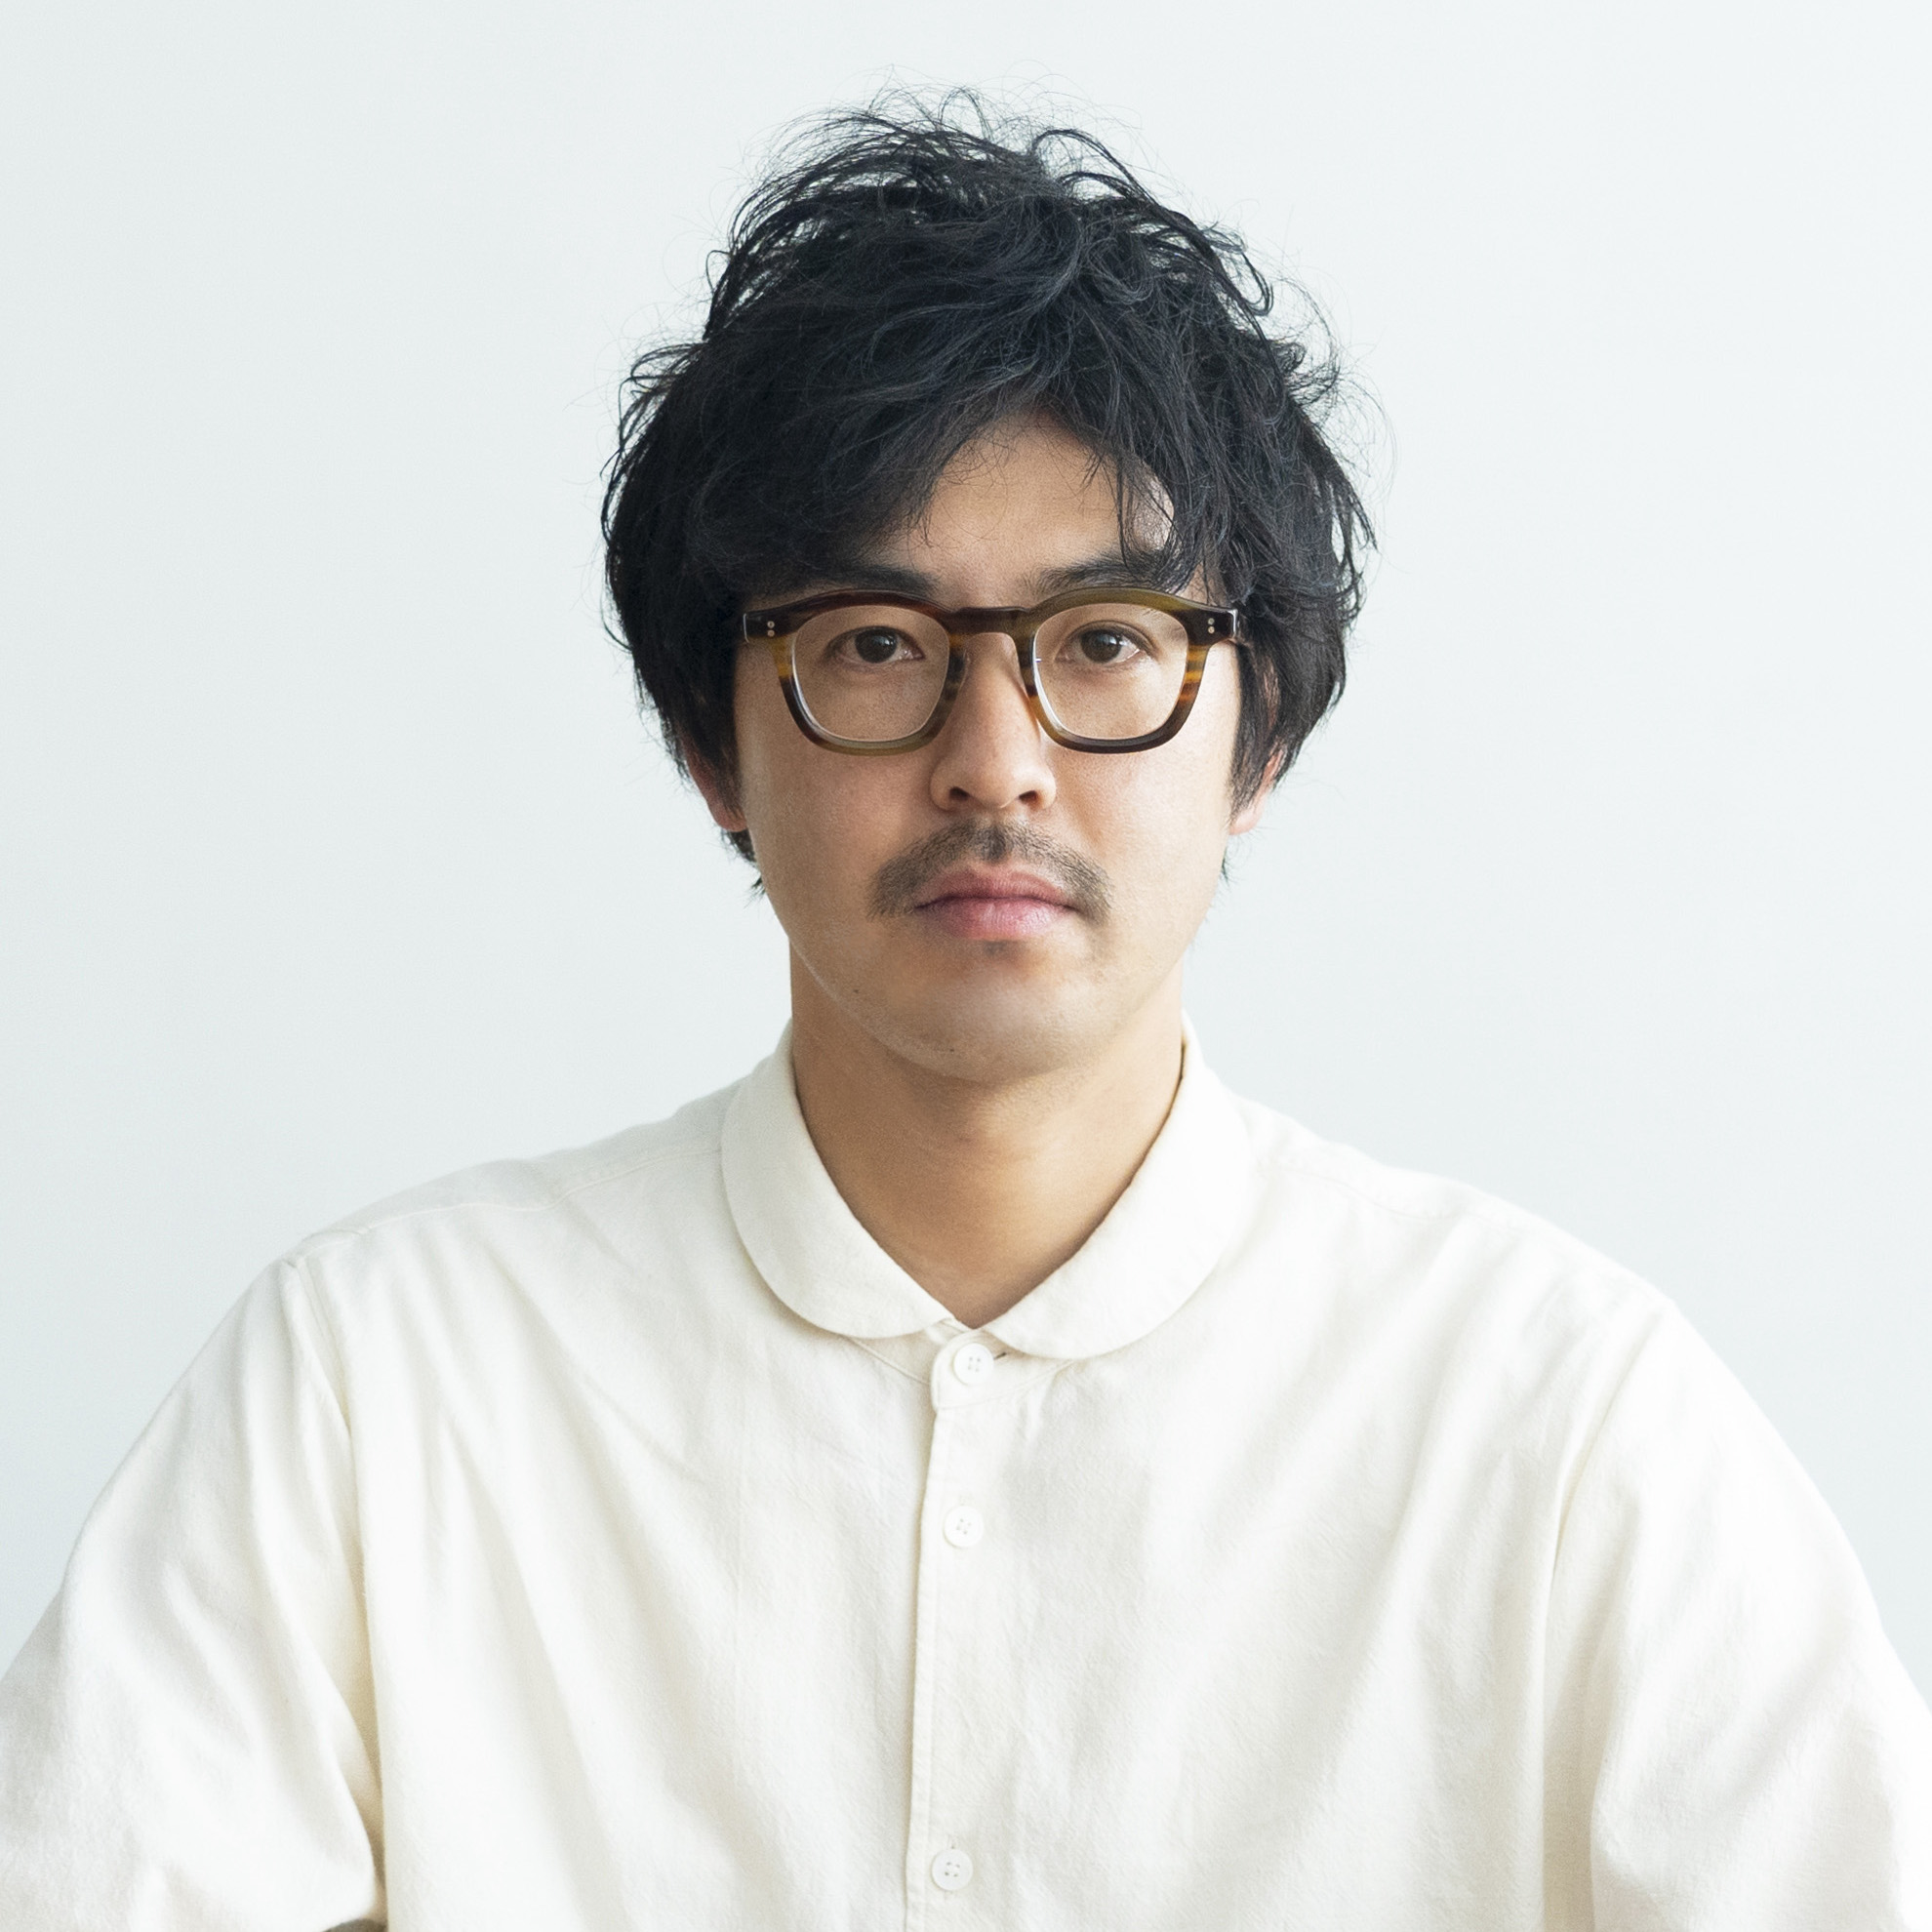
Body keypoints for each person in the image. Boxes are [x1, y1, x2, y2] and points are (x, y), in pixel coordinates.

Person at [1, 98, 1926, 1931]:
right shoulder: (379, 1389)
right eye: (873, 646)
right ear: (711, 746)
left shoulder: (1563, 1424)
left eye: (1107, 643)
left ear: (1258, 738)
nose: (995, 761)